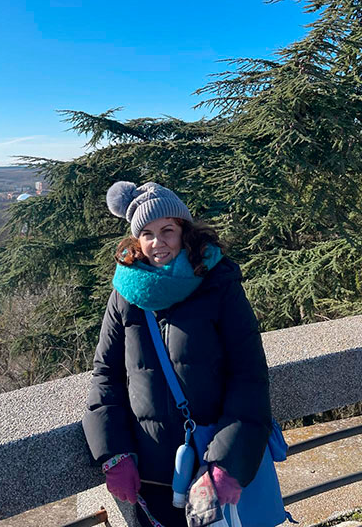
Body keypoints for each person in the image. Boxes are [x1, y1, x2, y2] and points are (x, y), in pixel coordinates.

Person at [82, 181, 272, 527]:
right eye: (147, 234)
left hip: (211, 469)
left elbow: (249, 376)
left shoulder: (218, 283)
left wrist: (227, 464)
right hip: (151, 474)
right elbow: (106, 374)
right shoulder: (125, 293)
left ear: (184, 231)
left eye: (167, 230)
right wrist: (114, 453)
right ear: (137, 240)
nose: (158, 242)